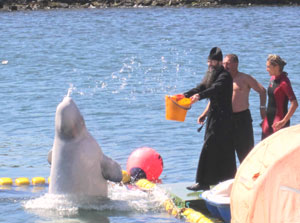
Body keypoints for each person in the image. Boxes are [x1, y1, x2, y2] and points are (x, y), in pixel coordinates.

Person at [180, 47, 236, 191]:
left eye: (212, 63)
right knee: (218, 147)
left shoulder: (224, 76)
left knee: (212, 147)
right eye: (208, 62)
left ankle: (205, 182)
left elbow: (214, 89)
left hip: (223, 118)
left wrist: (199, 97)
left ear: (219, 63)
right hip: (214, 116)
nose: (210, 65)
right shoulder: (211, 75)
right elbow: (202, 87)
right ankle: (220, 181)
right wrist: (185, 95)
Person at [198, 54, 266, 163]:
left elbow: (262, 91)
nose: (225, 66)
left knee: (246, 152)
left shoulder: (244, 78)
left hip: (242, 118)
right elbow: (214, 98)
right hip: (225, 118)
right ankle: (231, 178)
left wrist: (262, 108)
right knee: (226, 152)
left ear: (236, 64)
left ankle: (250, 176)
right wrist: (204, 113)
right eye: (224, 63)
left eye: (228, 63)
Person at [261, 54, 298, 139]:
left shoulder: (284, 83)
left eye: (268, 67)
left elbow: (294, 104)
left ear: (276, 67)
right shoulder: (272, 78)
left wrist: (283, 121)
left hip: (279, 121)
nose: (266, 69)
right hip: (268, 120)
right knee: (265, 148)